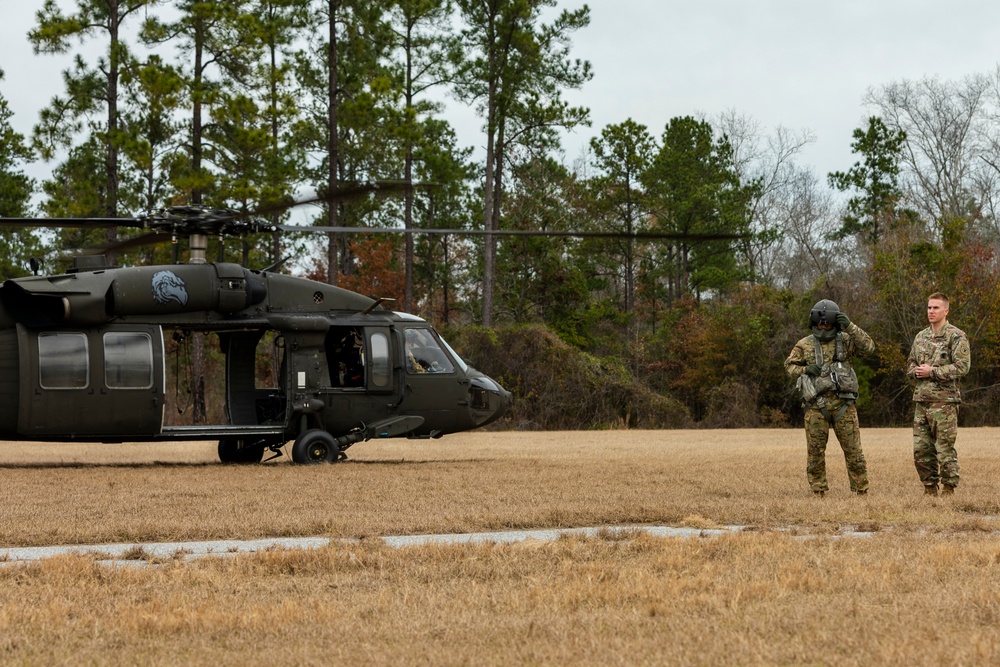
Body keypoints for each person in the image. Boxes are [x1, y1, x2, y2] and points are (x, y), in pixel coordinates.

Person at [785, 300, 875, 496]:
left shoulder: (846, 340)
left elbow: (869, 348)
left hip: (844, 404)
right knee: (815, 452)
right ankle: (818, 490)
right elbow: (789, 367)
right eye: (820, 324)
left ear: (835, 323)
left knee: (854, 451)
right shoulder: (804, 344)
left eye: (828, 324)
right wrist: (806, 369)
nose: (823, 327)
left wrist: (850, 326)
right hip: (816, 406)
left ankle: (861, 489)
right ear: (814, 323)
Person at [906, 292, 970, 496]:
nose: (931, 311)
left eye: (935, 308)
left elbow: (962, 366)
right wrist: (915, 371)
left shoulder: (956, 336)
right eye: (929, 307)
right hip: (922, 401)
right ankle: (929, 488)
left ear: (946, 310)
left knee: (944, 449)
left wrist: (932, 371)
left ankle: (949, 489)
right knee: (921, 450)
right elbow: (911, 363)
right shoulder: (920, 337)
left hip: (944, 403)